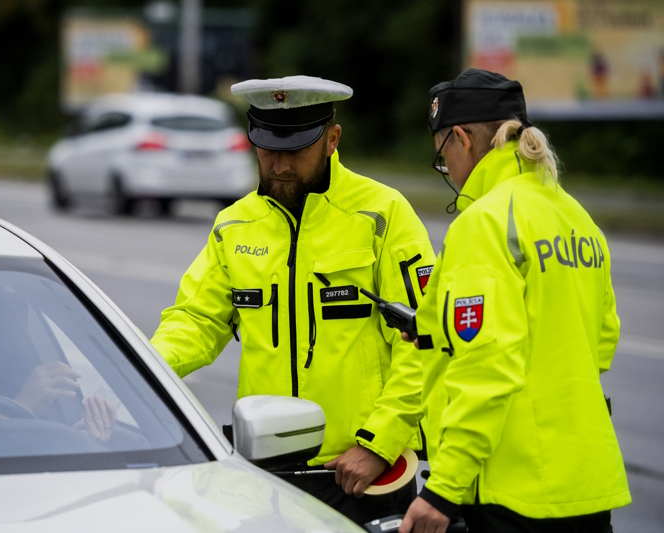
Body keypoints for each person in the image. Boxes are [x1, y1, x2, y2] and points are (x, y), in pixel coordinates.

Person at [151, 75, 436, 523]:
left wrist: (378, 442)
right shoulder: (233, 225)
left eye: (295, 149)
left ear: (332, 140)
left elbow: (424, 340)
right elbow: (194, 323)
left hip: (357, 474)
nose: (279, 164)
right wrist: (136, 373)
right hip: (259, 477)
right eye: (267, 148)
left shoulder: (383, 214)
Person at [398, 68, 631, 533]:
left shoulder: (484, 222)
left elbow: (487, 365)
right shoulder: (577, 217)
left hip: (514, 491)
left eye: (442, 157)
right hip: (585, 483)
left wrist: (444, 490)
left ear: (462, 139)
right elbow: (601, 342)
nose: (448, 172)